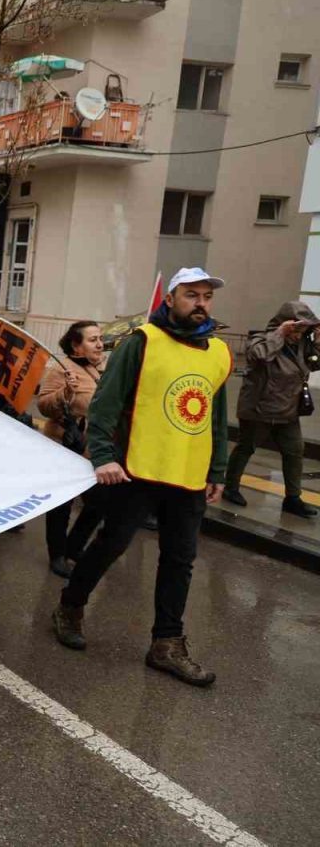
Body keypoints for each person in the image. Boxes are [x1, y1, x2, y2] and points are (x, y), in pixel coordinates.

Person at [52, 268, 231, 687]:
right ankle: (70, 606)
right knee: (111, 544)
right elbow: (106, 403)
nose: (200, 302)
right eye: (191, 294)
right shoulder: (143, 342)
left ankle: (166, 644)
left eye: (206, 296)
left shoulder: (219, 352)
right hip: (137, 469)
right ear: (170, 299)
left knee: (180, 561)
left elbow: (216, 417)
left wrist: (216, 469)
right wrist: (102, 455)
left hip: (187, 475)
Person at [223, 301, 320, 517]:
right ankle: (231, 488)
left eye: (304, 330)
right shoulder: (262, 339)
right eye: (296, 329)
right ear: (285, 324)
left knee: (295, 452)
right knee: (246, 448)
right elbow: (259, 355)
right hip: (259, 410)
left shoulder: (303, 345)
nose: (299, 335)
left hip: (288, 411)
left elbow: (314, 364)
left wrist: (318, 341)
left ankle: (293, 498)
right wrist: (279, 334)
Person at [36, 321, 107, 577]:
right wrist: (66, 391)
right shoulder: (61, 369)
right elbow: (44, 405)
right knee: (61, 505)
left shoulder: (101, 369)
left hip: (93, 450)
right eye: (92, 340)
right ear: (76, 345)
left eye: (100, 338)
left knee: (99, 504)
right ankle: (57, 555)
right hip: (64, 446)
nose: (99, 344)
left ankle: (73, 547)